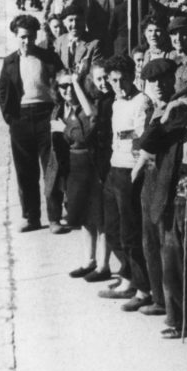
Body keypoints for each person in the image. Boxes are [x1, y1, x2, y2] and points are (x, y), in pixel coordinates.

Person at [136, 87, 187, 339]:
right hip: (171, 204)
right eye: (183, 107)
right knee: (172, 266)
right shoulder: (171, 131)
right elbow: (145, 144)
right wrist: (166, 117)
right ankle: (180, 322)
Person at [0, 14, 63, 232]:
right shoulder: (10, 62)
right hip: (21, 118)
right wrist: (11, 119)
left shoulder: (49, 58)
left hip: (46, 116)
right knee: (25, 171)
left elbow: (62, 83)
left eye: (32, 37)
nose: (28, 41)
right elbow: (3, 92)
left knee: (51, 168)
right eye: (23, 37)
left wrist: (57, 115)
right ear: (16, 36)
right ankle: (31, 217)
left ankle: (54, 218)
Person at [98, 55, 154, 311]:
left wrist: (126, 137)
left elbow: (143, 136)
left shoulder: (142, 101)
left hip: (131, 170)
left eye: (123, 80)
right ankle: (127, 277)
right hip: (114, 167)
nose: (118, 86)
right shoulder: (116, 103)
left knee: (130, 232)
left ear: (133, 77)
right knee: (112, 228)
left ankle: (143, 289)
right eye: (114, 81)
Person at [135, 58, 178, 319]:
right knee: (150, 241)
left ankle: (169, 305)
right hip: (150, 180)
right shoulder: (155, 108)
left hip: (166, 180)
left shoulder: (176, 108)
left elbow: (148, 142)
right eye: (153, 81)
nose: (159, 85)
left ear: (173, 79)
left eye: (163, 79)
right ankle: (158, 298)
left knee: (165, 246)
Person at [53, 68, 112, 260]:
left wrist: (64, 129)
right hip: (72, 166)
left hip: (90, 165)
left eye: (71, 85)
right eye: (63, 86)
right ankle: (89, 260)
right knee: (84, 217)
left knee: (99, 216)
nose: (68, 90)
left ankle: (103, 264)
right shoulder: (59, 109)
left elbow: (84, 136)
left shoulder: (86, 106)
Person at [53, 4, 101, 77]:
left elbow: (95, 72)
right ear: (64, 23)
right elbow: (56, 68)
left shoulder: (94, 43)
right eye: (70, 20)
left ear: (84, 21)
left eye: (78, 20)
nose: (74, 24)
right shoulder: (59, 41)